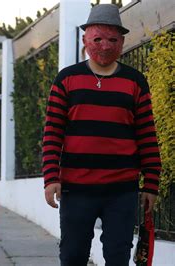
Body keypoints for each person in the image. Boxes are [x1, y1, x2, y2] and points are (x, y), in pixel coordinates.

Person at [42, 4, 161, 266]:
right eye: (98, 39)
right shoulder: (66, 80)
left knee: (118, 257)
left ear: (122, 42)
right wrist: (51, 178)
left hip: (122, 191)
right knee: (72, 256)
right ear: (85, 39)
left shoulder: (135, 82)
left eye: (112, 39)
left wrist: (151, 182)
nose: (105, 45)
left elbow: (146, 134)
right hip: (76, 189)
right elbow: (52, 133)